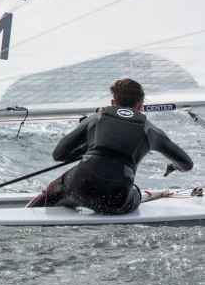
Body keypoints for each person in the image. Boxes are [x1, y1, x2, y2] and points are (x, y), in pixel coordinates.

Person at [26, 78, 193, 214]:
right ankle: (135, 194)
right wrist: (173, 166)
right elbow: (187, 164)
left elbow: (59, 154)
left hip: (79, 187)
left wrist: (91, 147)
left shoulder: (96, 118)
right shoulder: (151, 130)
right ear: (140, 106)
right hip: (116, 200)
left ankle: (27, 216)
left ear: (113, 102)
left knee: (55, 188)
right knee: (136, 191)